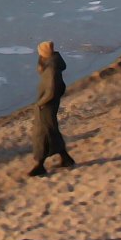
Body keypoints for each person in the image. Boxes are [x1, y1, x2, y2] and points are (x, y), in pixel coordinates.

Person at [26, 39, 77, 177]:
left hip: (46, 106)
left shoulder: (52, 69)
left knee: (42, 133)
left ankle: (40, 165)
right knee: (51, 131)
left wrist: (40, 103)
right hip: (49, 105)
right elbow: (59, 87)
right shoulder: (52, 64)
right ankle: (66, 158)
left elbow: (52, 90)